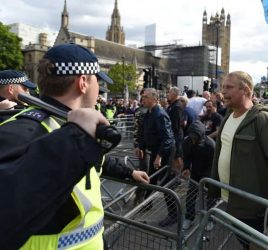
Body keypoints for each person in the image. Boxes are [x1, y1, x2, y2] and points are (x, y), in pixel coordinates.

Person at [0, 43, 149, 250]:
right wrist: (74, 140)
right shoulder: (22, 129)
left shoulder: (76, 128)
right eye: (97, 80)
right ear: (83, 83)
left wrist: (129, 172)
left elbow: (96, 164)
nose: (100, 89)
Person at [209, 71, 268, 244]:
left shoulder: (263, 120)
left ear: (246, 90)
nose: (223, 92)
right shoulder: (227, 117)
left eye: (229, 87)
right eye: (223, 87)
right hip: (230, 201)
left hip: (255, 209)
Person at [137, 88, 177, 226]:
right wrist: (140, 147)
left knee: (166, 183)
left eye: (146, 97)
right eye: (142, 97)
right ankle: (147, 203)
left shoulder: (160, 114)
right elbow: (143, 132)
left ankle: (173, 214)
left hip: (165, 152)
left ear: (155, 99)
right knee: (151, 178)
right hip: (155, 150)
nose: (143, 99)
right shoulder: (148, 113)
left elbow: (168, 138)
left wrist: (159, 156)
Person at [181, 120, 215, 230]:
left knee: (210, 197)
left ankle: (210, 219)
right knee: (191, 194)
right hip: (195, 172)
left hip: (209, 172)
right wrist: (186, 168)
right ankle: (189, 218)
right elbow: (187, 157)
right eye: (191, 137)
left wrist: (210, 178)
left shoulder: (210, 145)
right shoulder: (187, 142)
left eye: (195, 137)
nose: (193, 139)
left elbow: (214, 163)